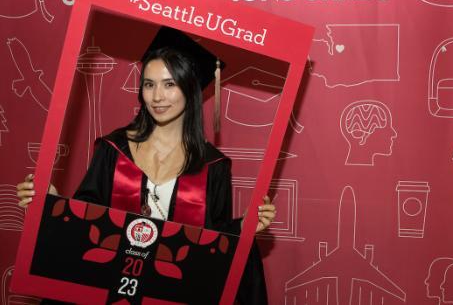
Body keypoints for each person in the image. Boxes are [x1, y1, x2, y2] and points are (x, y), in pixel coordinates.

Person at [17, 26, 276, 304]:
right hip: (112, 289)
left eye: (169, 84)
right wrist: (53, 205)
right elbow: (85, 219)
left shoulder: (213, 165)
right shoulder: (113, 149)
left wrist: (244, 226)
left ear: (190, 89)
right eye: (149, 84)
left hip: (173, 293)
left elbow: (214, 242)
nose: (156, 97)